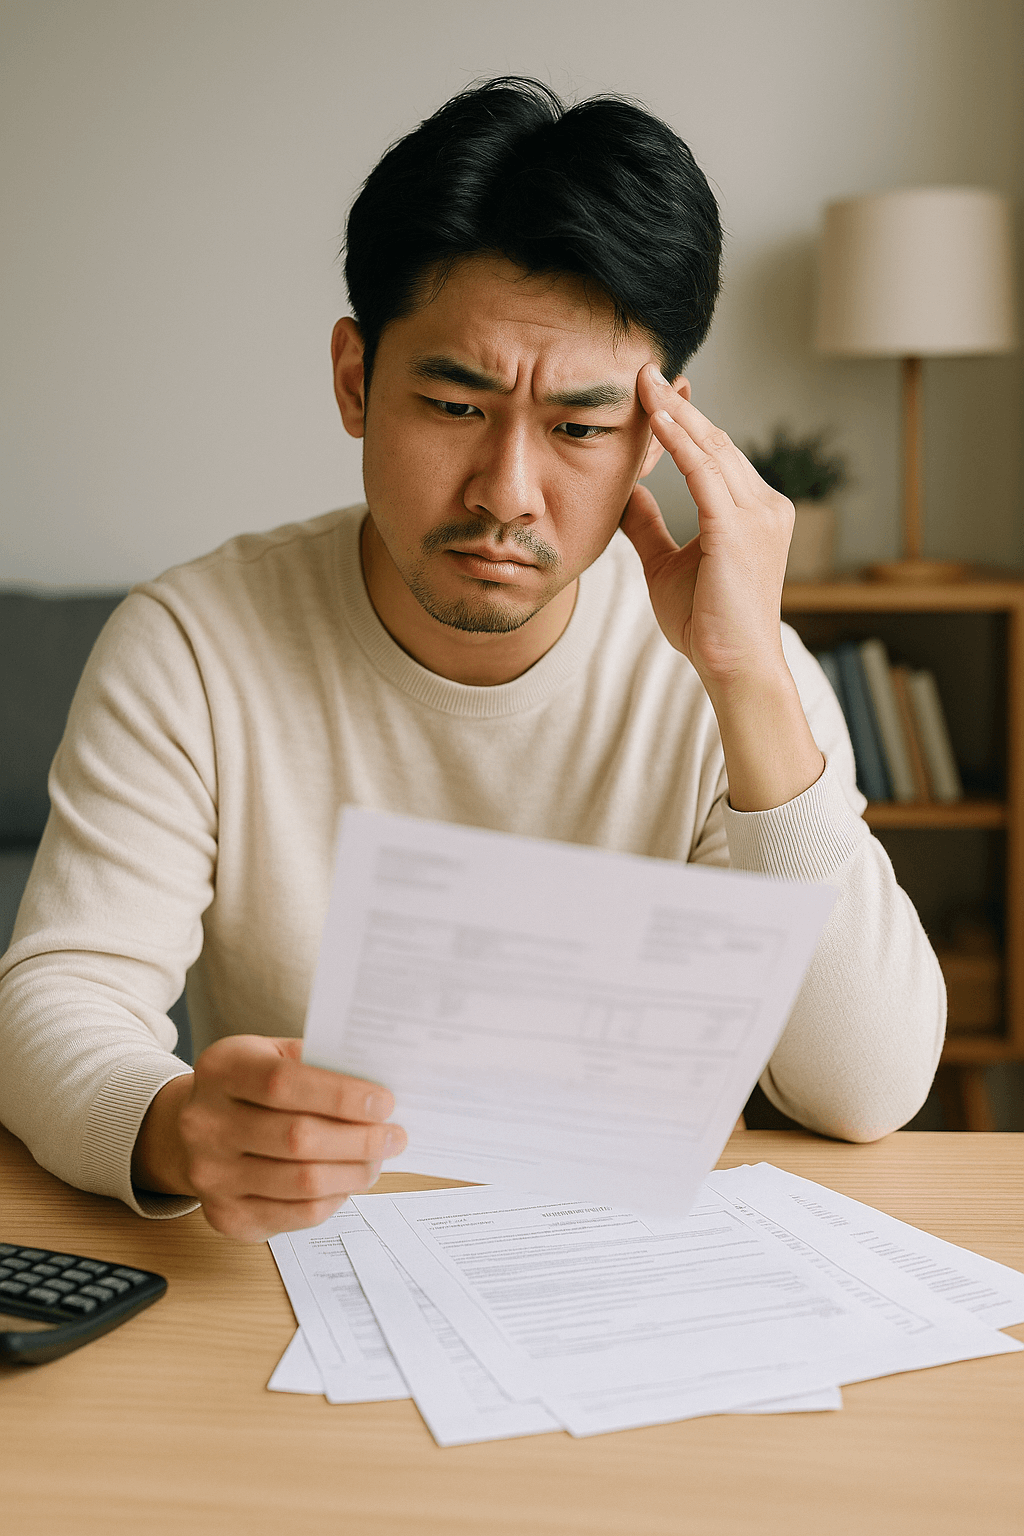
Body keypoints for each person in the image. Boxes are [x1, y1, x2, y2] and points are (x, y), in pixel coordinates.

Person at [0, 78, 944, 1242]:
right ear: (355, 379)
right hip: (293, 1277)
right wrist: (167, 1121)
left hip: (637, 1285)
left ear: (663, 432)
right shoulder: (193, 645)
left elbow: (866, 1090)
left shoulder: (732, 669)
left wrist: (747, 683)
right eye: (454, 405)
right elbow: (61, 994)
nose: (506, 494)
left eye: (581, 430)